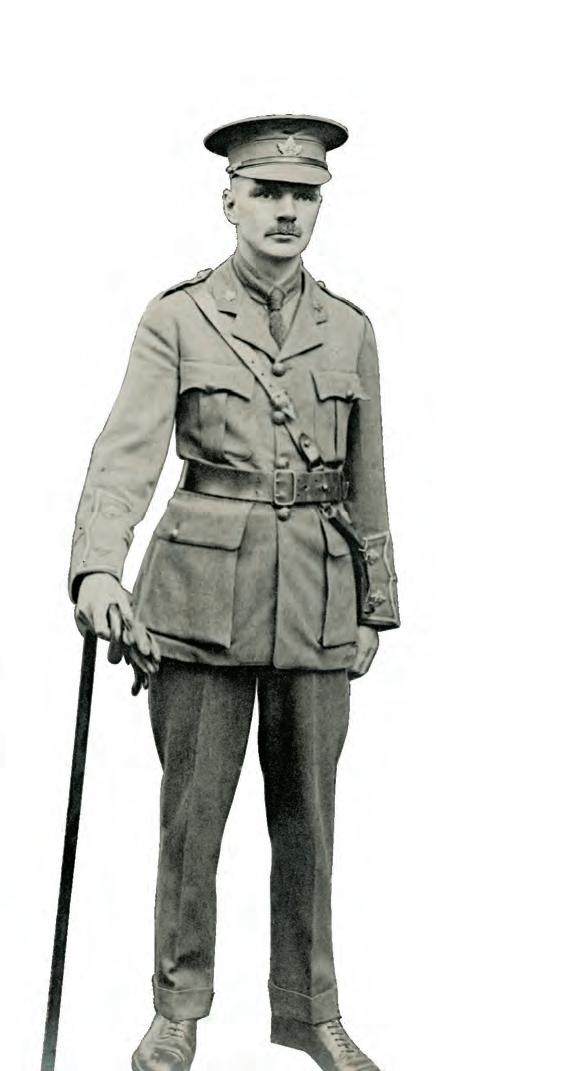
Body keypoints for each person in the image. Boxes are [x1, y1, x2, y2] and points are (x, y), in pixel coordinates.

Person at [70, 114, 400, 1071]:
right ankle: (177, 1010)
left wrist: (374, 604)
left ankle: (310, 1010)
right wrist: (97, 569)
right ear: (230, 202)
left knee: (310, 824)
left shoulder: (351, 329)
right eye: (267, 193)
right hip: (197, 599)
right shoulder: (178, 318)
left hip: (318, 601)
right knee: (192, 820)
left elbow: (368, 477)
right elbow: (126, 453)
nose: (286, 211)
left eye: (304, 195)